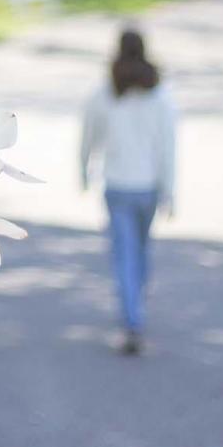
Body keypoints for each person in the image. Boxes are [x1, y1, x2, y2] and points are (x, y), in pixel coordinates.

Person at [79, 27, 176, 356]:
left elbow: (88, 138)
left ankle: (132, 316)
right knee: (140, 251)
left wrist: (83, 172)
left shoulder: (105, 93)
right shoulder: (160, 96)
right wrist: (170, 191)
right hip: (147, 188)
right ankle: (135, 312)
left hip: (118, 186)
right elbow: (168, 148)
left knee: (125, 255)